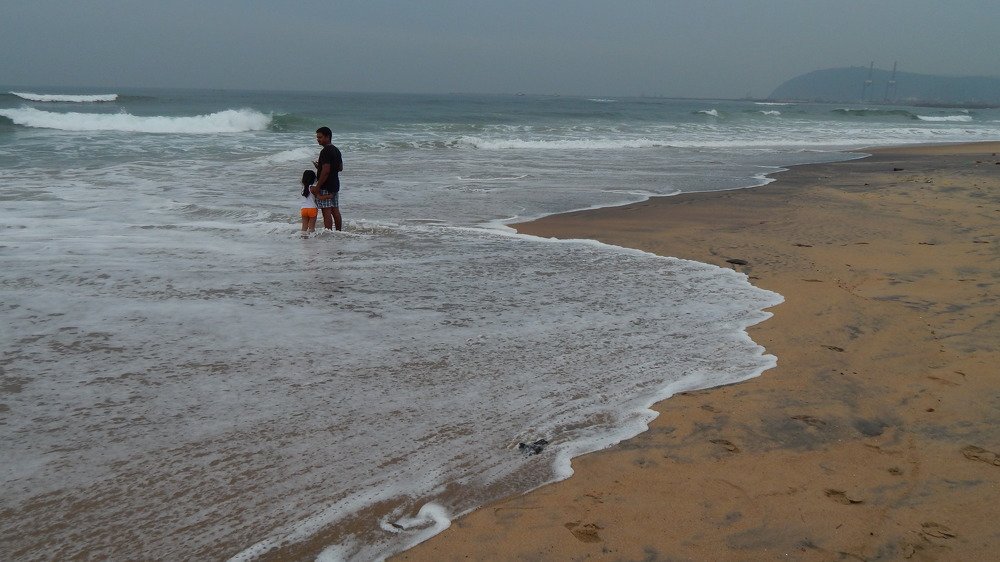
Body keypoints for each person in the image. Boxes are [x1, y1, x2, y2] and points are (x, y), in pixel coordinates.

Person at [313, 126, 343, 231]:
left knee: (326, 212)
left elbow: (326, 171)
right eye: (317, 137)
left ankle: (329, 234)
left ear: (327, 137)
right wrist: (319, 166)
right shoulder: (336, 150)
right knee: (335, 211)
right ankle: (339, 232)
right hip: (335, 184)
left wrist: (318, 186)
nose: (318, 139)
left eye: (320, 137)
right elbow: (340, 168)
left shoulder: (325, 151)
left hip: (325, 185)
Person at [299, 169, 318, 237]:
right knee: (311, 227)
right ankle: (312, 240)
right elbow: (319, 197)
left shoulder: (303, 188)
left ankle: (304, 239)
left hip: (303, 209)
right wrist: (328, 196)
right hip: (312, 209)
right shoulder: (313, 188)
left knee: (304, 227)